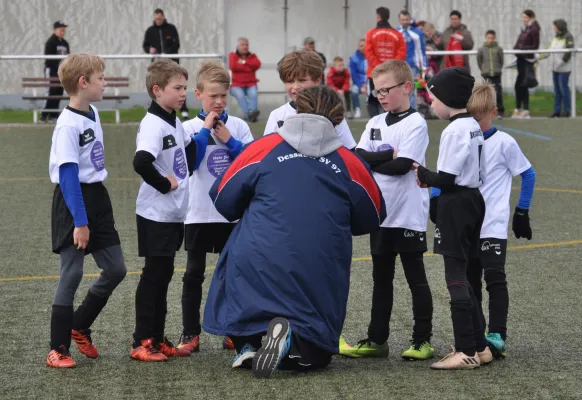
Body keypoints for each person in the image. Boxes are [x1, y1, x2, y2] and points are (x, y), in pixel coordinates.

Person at [203, 85, 386, 378]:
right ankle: (291, 347)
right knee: (317, 356)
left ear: (296, 109)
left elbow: (224, 199)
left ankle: (248, 344)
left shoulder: (262, 148)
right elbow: (373, 216)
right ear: (338, 119)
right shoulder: (350, 162)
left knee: (238, 263)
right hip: (319, 266)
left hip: (258, 258)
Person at [340, 60, 434, 361]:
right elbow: (357, 158)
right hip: (380, 213)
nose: (380, 96)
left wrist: (376, 160)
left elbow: (402, 166)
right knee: (381, 279)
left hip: (407, 213)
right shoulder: (375, 123)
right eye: (376, 91)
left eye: (386, 90)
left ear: (407, 87)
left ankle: (423, 340)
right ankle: (377, 339)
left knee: (415, 278)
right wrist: (383, 156)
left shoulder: (416, 123)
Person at [46, 53, 127, 368]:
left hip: (98, 198)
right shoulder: (67, 124)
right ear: (83, 83)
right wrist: (80, 222)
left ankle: (79, 324)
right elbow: (68, 177)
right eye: (101, 78)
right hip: (73, 202)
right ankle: (58, 348)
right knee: (73, 272)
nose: (104, 82)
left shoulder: (92, 111)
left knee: (117, 268)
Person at [413, 67, 489, 369]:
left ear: (446, 99)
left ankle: (466, 350)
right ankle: (480, 345)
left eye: (434, 97)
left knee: (455, 277)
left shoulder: (454, 130)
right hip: (473, 201)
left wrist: (421, 172)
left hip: (456, 204)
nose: (432, 103)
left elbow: (446, 178)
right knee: (467, 277)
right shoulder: (472, 125)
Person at [178, 62, 254, 354]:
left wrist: (230, 142)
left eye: (223, 95)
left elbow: (251, 165)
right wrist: (205, 132)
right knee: (193, 273)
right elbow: (188, 164)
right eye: (213, 96)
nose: (219, 102)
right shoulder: (188, 128)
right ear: (199, 95)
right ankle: (190, 334)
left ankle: (233, 331)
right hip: (198, 213)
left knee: (234, 273)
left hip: (231, 213)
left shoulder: (239, 127)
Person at [461, 82, 536, 360]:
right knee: (469, 281)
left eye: (480, 118)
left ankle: (498, 336)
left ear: (493, 112)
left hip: (493, 225)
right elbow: (447, 171)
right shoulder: (464, 139)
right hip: (468, 227)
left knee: (495, 279)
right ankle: (477, 334)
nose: (475, 123)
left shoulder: (505, 142)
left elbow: (528, 175)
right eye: (471, 117)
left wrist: (521, 212)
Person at [131, 59, 196, 362]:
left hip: (172, 214)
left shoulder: (174, 119)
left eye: (185, 87)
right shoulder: (153, 124)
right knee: (154, 275)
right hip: (155, 213)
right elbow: (141, 161)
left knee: (165, 273)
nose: (183, 93)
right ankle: (142, 341)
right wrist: (164, 184)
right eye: (177, 88)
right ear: (157, 90)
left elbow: (189, 146)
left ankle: (158, 338)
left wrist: (185, 173)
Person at [263, 50, 356, 151]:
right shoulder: (277, 116)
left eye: (302, 80)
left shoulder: (332, 113)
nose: (295, 86)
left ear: (317, 80)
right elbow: (266, 151)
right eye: (289, 81)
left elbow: (349, 150)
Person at [142, 8, 189, 119]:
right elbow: (145, 45)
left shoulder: (171, 29)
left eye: (160, 18)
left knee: (178, 86)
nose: (158, 20)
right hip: (157, 65)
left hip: (172, 64)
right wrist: (150, 49)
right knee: (159, 86)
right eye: (156, 18)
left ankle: (183, 110)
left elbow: (176, 44)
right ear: (154, 18)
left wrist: (166, 54)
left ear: (163, 17)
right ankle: (159, 110)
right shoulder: (150, 31)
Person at [364, 7, 406, 118]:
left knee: (372, 99)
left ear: (378, 17)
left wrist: (379, 67)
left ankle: (374, 124)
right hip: (391, 75)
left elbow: (368, 53)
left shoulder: (370, 33)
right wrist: (390, 67)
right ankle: (389, 124)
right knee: (389, 99)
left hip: (374, 74)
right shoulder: (397, 34)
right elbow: (401, 53)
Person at [512, 9, 540, 119]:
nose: (523, 19)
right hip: (520, 59)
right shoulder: (525, 29)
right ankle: (518, 108)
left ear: (531, 17)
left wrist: (521, 49)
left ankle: (526, 110)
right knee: (518, 85)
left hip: (527, 60)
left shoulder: (534, 29)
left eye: (526, 18)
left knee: (524, 85)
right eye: (522, 17)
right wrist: (516, 48)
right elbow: (518, 43)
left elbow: (535, 46)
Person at [397, 10, 428, 110]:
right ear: (399, 20)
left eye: (406, 19)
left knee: (410, 91)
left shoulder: (417, 32)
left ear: (410, 20)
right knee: (398, 90)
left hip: (412, 66)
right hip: (397, 66)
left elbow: (422, 50)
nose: (405, 21)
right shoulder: (395, 32)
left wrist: (424, 66)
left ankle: (412, 112)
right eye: (403, 19)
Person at [41, 21, 70, 122]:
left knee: (59, 92)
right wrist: (57, 68)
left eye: (63, 30)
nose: (62, 31)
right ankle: (44, 115)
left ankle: (54, 115)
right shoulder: (51, 42)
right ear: (55, 30)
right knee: (51, 91)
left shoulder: (65, 43)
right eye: (60, 29)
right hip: (52, 70)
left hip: (62, 72)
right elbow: (48, 59)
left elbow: (68, 58)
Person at [228, 37, 262, 122]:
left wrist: (244, 62)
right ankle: (250, 114)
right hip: (236, 84)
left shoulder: (252, 56)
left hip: (251, 83)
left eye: (246, 45)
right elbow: (233, 66)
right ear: (238, 46)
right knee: (240, 95)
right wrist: (249, 67)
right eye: (242, 45)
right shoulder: (232, 55)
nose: (245, 47)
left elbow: (257, 64)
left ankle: (251, 114)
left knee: (253, 93)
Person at [548, 19, 574, 118]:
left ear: (559, 26)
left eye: (555, 26)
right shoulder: (556, 36)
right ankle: (557, 111)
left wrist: (562, 61)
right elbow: (549, 47)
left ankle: (567, 110)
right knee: (557, 90)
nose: (554, 28)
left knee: (564, 89)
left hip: (564, 69)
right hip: (555, 68)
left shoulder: (568, 36)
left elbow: (569, 51)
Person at [477, 30, 505, 118]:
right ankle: (486, 111)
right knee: (486, 93)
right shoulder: (481, 49)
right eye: (488, 38)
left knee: (498, 92)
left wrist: (498, 69)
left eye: (492, 38)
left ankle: (500, 111)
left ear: (494, 38)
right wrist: (483, 69)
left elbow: (501, 60)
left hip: (496, 74)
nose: (490, 40)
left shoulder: (498, 49)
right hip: (486, 74)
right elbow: (479, 60)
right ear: (486, 38)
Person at [349, 39, 367, 118]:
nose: (363, 47)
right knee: (354, 90)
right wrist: (361, 86)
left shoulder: (371, 56)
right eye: (361, 46)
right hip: (358, 82)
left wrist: (368, 85)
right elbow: (354, 75)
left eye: (365, 45)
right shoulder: (353, 58)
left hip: (370, 82)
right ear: (358, 47)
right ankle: (357, 109)